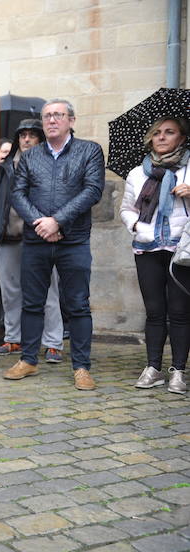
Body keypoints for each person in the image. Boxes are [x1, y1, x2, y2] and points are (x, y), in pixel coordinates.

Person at [5, 99, 105, 390]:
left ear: (71, 120)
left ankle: (82, 367)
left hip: (73, 240)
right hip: (36, 240)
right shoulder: (30, 156)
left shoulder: (89, 150)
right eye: (47, 116)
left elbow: (93, 190)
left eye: (58, 115)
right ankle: (28, 360)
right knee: (32, 302)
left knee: (78, 304)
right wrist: (42, 223)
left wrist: (58, 221)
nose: (51, 120)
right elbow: (17, 194)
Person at [119, 117, 190, 394]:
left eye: (169, 132)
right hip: (147, 248)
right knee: (154, 311)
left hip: (181, 249)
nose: (161, 137)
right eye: (157, 133)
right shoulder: (139, 172)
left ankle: (179, 371)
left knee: (180, 312)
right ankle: (153, 367)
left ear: (182, 138)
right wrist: (137, 227)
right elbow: (126, 209)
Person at [0, 119, 65, 364]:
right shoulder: (4, 168)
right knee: (10, 292)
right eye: (22, 135)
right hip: (7, 236)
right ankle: (14, 337)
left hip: (41, 237)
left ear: (40, 139)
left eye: (32, 135)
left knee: (48, 292)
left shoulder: (52, 166)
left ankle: (53, 343)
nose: (26, 139)